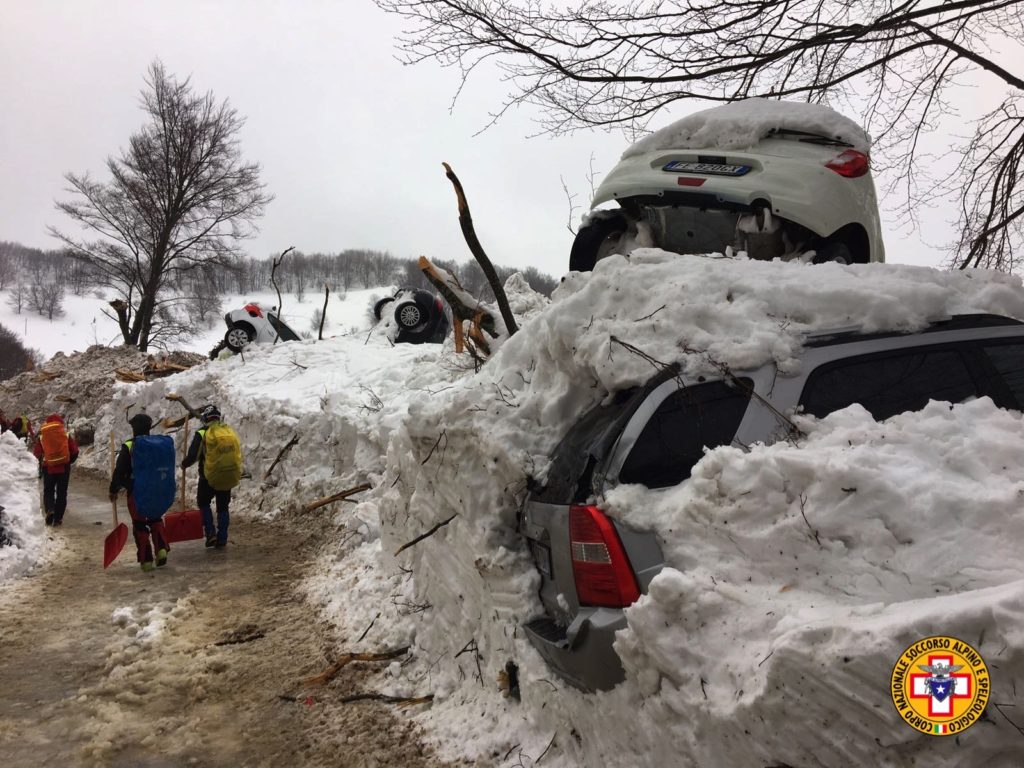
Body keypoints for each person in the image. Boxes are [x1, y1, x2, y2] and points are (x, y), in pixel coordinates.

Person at [109, 413, 171, 571]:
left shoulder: (130, 445)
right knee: (155, 519)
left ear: (134, 429)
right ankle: (161, 549)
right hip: (156, 489)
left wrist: (114, 488)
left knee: (140, 524)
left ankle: (147, 560)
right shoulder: (158, 444)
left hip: (137, 491)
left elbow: (120, 471)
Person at [181, 405, 241, 549]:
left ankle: (210, 533)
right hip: (227, 475)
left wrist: (184, 464)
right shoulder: (228, 431)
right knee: (222, 507)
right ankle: (222, 538)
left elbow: (193, 456)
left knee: (203, 503)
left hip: (208, 478)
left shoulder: (202, 433)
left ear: (206, 419)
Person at [32, 414, 78, 526]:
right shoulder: (65, 435)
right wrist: (68, 461)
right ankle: (58, 519)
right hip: (64, 467)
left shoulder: (42, 436)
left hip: (48, 467)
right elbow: (75, 451)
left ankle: (50, 510)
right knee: (62, 493)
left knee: (48, 491)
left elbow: (36, 453)